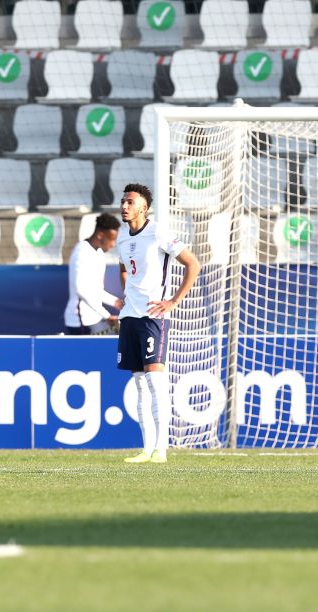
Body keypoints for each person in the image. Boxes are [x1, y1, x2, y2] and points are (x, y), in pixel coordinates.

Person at [116, 183, 201, 464]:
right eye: (123, 201)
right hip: (130, 316)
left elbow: (193, 264)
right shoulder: (121, 237)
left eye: (130, 202)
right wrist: (127, 293)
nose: (124, 206)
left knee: (155, 381)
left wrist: (173, 301)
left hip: (154, 317)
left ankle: (161, 450)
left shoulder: (158, 232)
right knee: (139, 384)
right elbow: (124, 268)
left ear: (143, 207)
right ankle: (145, 449)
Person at [64, 213, 123, 335]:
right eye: (111, 239)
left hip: (95, 319)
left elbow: (95, 290)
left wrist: (115, 302)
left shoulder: (100, 254)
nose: (113, 244)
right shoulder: (81, 252)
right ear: (100, 235)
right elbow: (82, 290)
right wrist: (106, 315)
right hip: (80, 321)